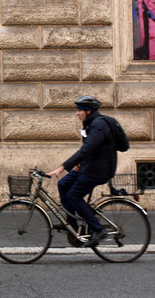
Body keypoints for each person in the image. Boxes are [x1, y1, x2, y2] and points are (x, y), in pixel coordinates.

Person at [49, 95, 117, 247]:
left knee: (74, 196)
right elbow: (91, 150)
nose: (77, 113)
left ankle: (98, 230)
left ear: (88, 111)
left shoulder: (99, 125)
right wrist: (78, 164)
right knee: (63, 184)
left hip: (98, 170)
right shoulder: (91, 123)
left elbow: (86, 149)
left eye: (79, 110)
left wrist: (63, 167)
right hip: (88, 166)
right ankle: (71, 224)